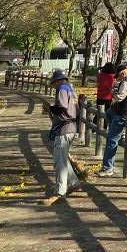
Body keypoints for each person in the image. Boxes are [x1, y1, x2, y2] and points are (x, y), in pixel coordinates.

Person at [97, 62, 127, 177]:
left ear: (123, 73)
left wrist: (112, 94)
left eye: (118, 76)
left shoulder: (126, 81)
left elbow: (120, 97)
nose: (118, 79)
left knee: (111, 140)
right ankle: (121, 133)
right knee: (109, 113)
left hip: (123, 113)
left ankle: (107, 167)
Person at [43, 68, 82, 206]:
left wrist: (50, 108)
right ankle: (73, 183)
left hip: (64, 127)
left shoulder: (62, 89)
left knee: (59, 161)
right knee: (63, 159)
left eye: (54, 83)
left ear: (58, 80)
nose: (54, 86)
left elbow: (62, 108)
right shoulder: (71, 89)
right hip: (71, 126)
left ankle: (60, 192)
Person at [96, 61, 116, 128]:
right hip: (108, 96)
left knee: (99, 111)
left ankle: (97, 124)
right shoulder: (113, 76)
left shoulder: (100, 75)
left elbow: (98, 82)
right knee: (107, 112)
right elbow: (112, 86)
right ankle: (105, 125)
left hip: (100, 95)